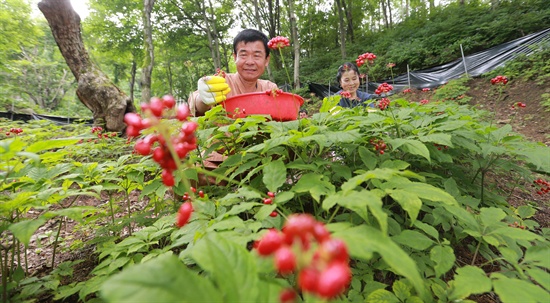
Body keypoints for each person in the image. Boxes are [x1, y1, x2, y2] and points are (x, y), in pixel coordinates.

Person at [188, 29, 278, 116]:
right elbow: (195, 103)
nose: (250, 62)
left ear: (266, 60)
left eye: (257, 55)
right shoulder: (222, 81)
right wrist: (203, 99)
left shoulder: (270, 88)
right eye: (243, 55)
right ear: (235, 57)